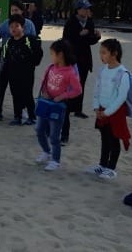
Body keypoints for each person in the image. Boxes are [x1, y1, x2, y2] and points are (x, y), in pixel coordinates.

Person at [86, 38, 131, 180]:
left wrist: (107, 112)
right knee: (104, 139)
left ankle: (111, 168)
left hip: (114, 113)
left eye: (104, 53)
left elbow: (121, 97)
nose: (101, 56)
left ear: (114, 53)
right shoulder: (103, 70)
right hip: (101, 110)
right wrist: (96, 107)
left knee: (114, 139)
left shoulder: (122, 73)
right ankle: (102, 164)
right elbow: (97, 89)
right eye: (100, 52)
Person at [34, 39, 82, 171]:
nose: (51, 57)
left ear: (60, 55)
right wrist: (44, 93)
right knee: (39, 129)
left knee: (55, 135)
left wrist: (62, 96)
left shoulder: (70, 72)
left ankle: (56, 160)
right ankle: (46, 152)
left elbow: (77, 90)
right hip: (45, 103)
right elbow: (44, 83)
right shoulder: (50, 68)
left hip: (58, 107)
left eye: (52, 54)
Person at [0, 14, 43, 126]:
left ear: (22, 27)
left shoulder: (29, 40)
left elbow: (38, 54)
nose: (13, 29)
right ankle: (17, 117)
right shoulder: (9, 42)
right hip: (13, 74)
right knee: (15, 94)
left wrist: (32, 64)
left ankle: (32, 117)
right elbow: (5, 57)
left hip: (27, 73)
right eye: (11, 26)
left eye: (17, 26)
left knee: (27, 94)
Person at [62, 0, 101, 119]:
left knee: (81, 84)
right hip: (72, 57)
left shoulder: (89, 21)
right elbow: (66, 40)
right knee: (70, 83)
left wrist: (96, 37)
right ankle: (67, 107)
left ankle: (78, 109)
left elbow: (90, 41)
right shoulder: (71, 22)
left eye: (88, 8)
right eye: (84, 8)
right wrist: (79, 35)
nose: (87, 10)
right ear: (78, 10)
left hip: (85, 58)